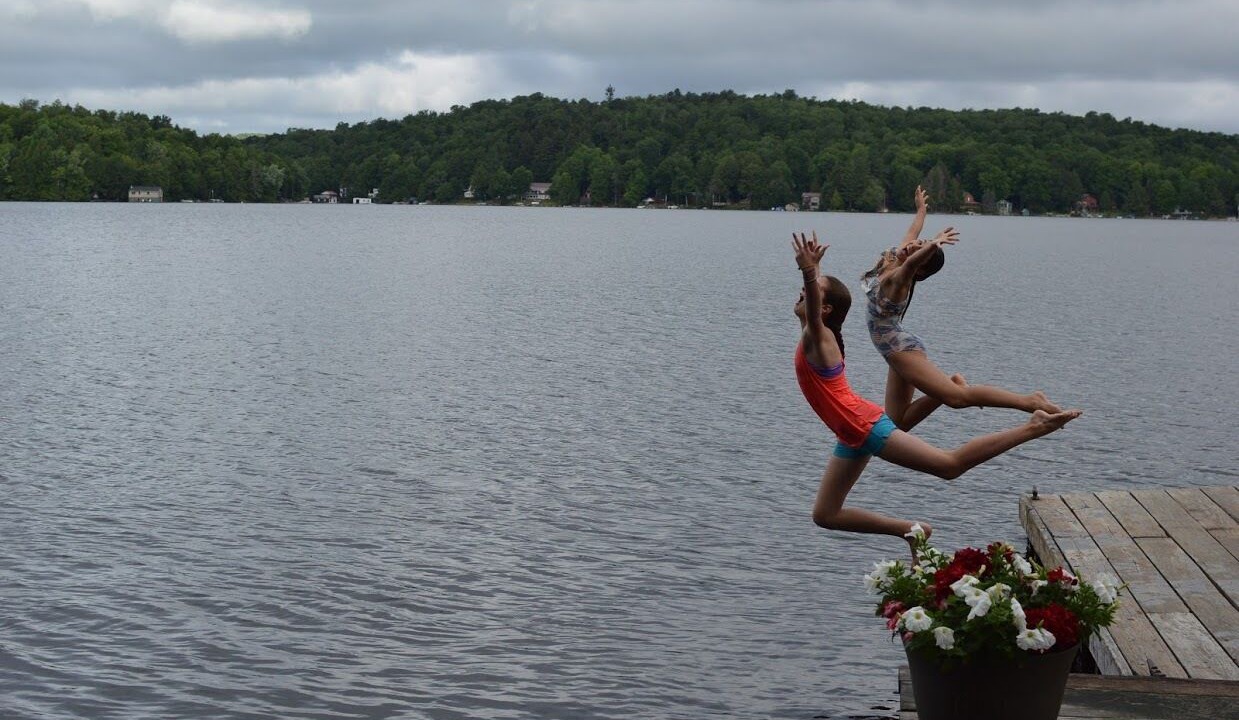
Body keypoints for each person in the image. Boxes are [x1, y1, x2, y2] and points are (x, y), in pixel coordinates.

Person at [791, 231, 1080, 550]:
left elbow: (816, 312)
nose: (801, 295)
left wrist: (810, 273)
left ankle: (1034, 425)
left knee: (949, 465)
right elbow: (817, 308)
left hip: (861, 425)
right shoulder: (816, 335)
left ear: (825, 309)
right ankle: (911, 530)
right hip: (849, 432)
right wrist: (815, 272)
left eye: (809, 294)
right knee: (825, 514)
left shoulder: (819, 338)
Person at [862, 186, 1061, 432]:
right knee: (897, 423)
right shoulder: (894, 257)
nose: (913, 246)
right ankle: (951, 382)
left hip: (900, 350)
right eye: (917, 244)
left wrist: (932, 245)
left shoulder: (899, 282)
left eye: (918, 249)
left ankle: (1030, 401)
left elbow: (913, 262)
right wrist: (921, 211)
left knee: (958, 399)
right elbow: (913, 233)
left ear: (919, 269)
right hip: (894, 347)